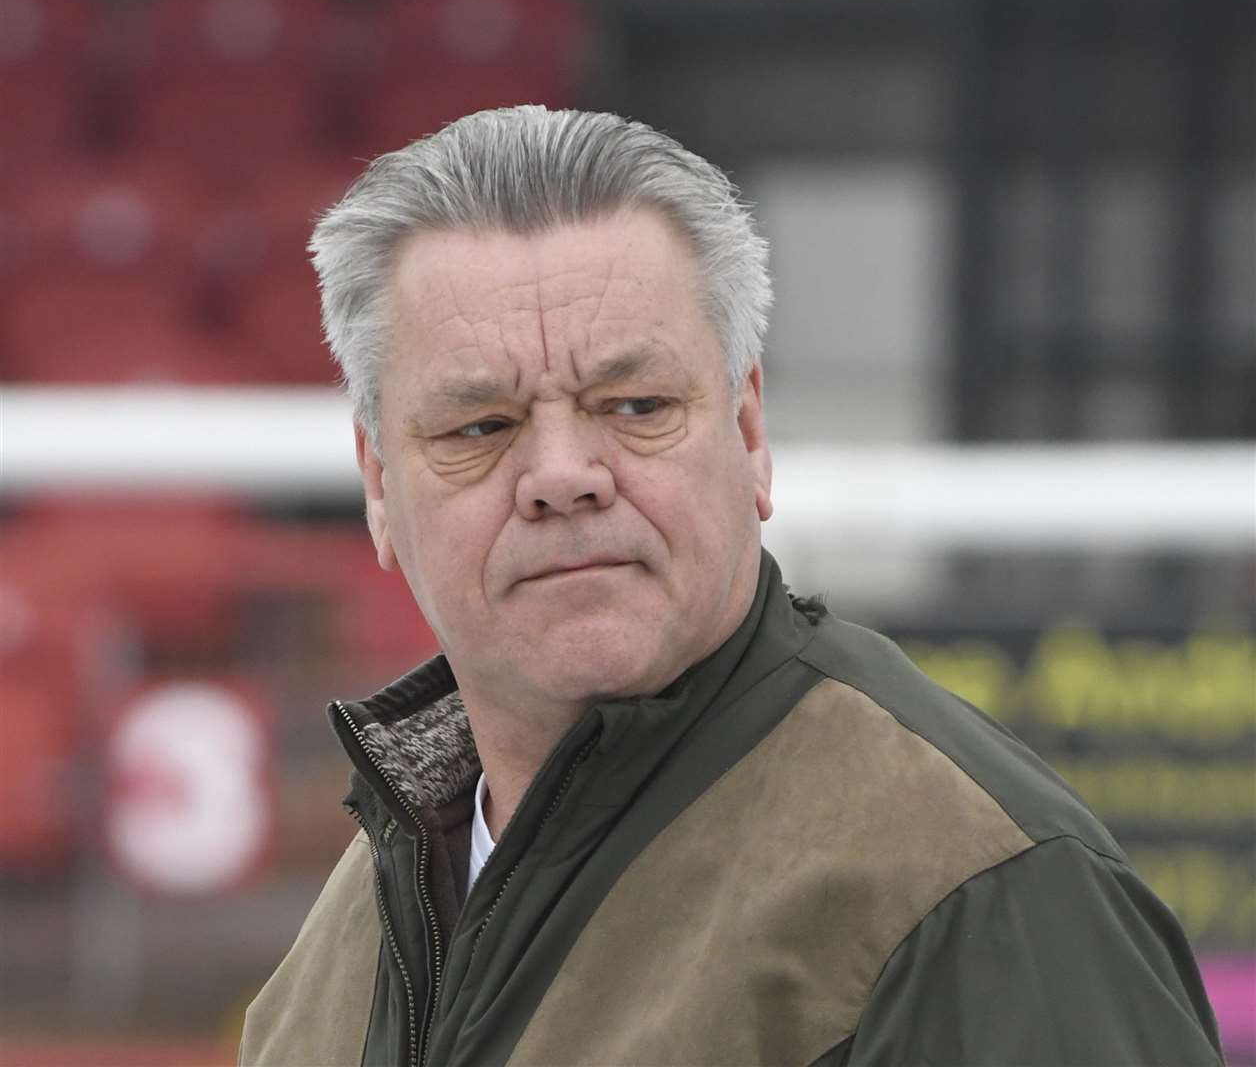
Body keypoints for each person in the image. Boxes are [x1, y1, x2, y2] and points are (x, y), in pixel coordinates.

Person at [239, 106, 1223, 1067]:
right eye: (478, 427)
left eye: (633, 405)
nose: (561, 474)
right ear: (377, 483)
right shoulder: (342, 949)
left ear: (748, 434)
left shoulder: (976, 897)